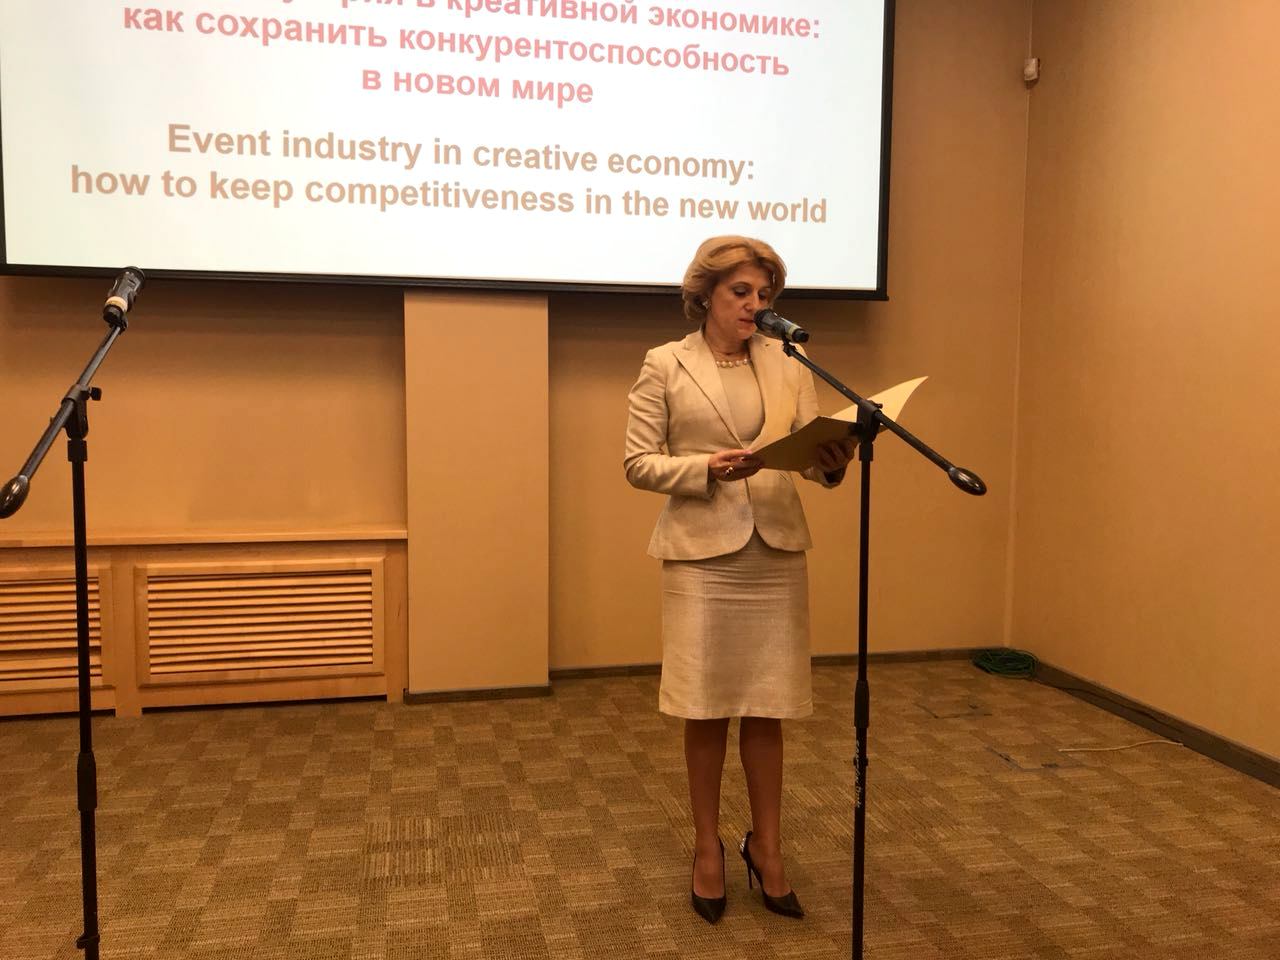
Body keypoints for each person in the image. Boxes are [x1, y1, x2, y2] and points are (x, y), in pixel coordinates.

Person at [624, 235, 855, 924]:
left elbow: (809, 454)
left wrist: (832, 461)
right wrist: (705, 468)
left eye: (765, 294)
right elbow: (639, 462)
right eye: (742, 292)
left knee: (767, 703)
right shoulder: (666, 363)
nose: (756, 305)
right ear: (706, 296)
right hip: (702, 555)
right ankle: (707, 847)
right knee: (705, 706)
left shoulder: (790, 361)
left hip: (774, 548)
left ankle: (768, 846)